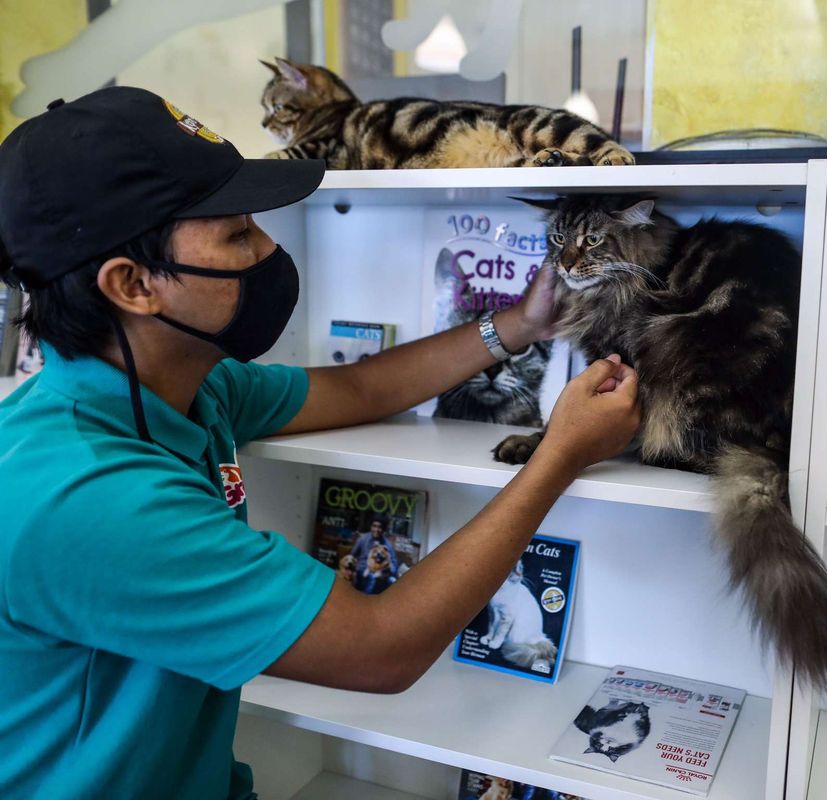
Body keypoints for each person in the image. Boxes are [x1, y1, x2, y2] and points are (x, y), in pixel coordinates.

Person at [0, 87, 640, 798]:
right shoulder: (88, 495)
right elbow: (381, 648)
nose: (271, 249)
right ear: (133, 285)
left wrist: (517, 325)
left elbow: (360, 390)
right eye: (238, 235)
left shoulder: (185, 390)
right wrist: (561, 454)